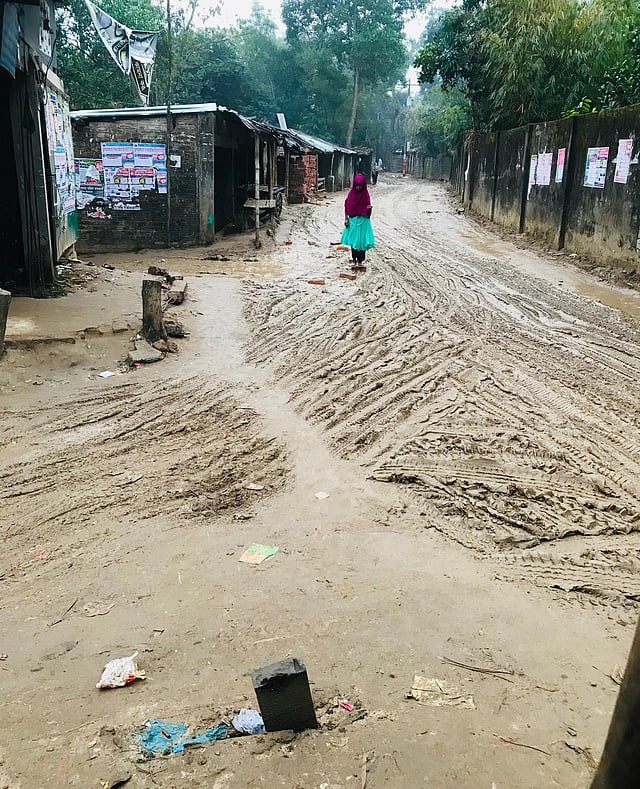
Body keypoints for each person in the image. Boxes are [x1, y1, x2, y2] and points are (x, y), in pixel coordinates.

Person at [341, 173, 375, 268]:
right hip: (353, 221)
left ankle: (360, 261)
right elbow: (346, 206)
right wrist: (346, 219)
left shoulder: (366, 196)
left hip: (363, 221)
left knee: (361, 242)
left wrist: (369, 210)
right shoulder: (351, 195)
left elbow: (368, 213)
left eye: (360, 186)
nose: (358, 188)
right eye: (357, 186)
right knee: (353, 241)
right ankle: (354, 260)